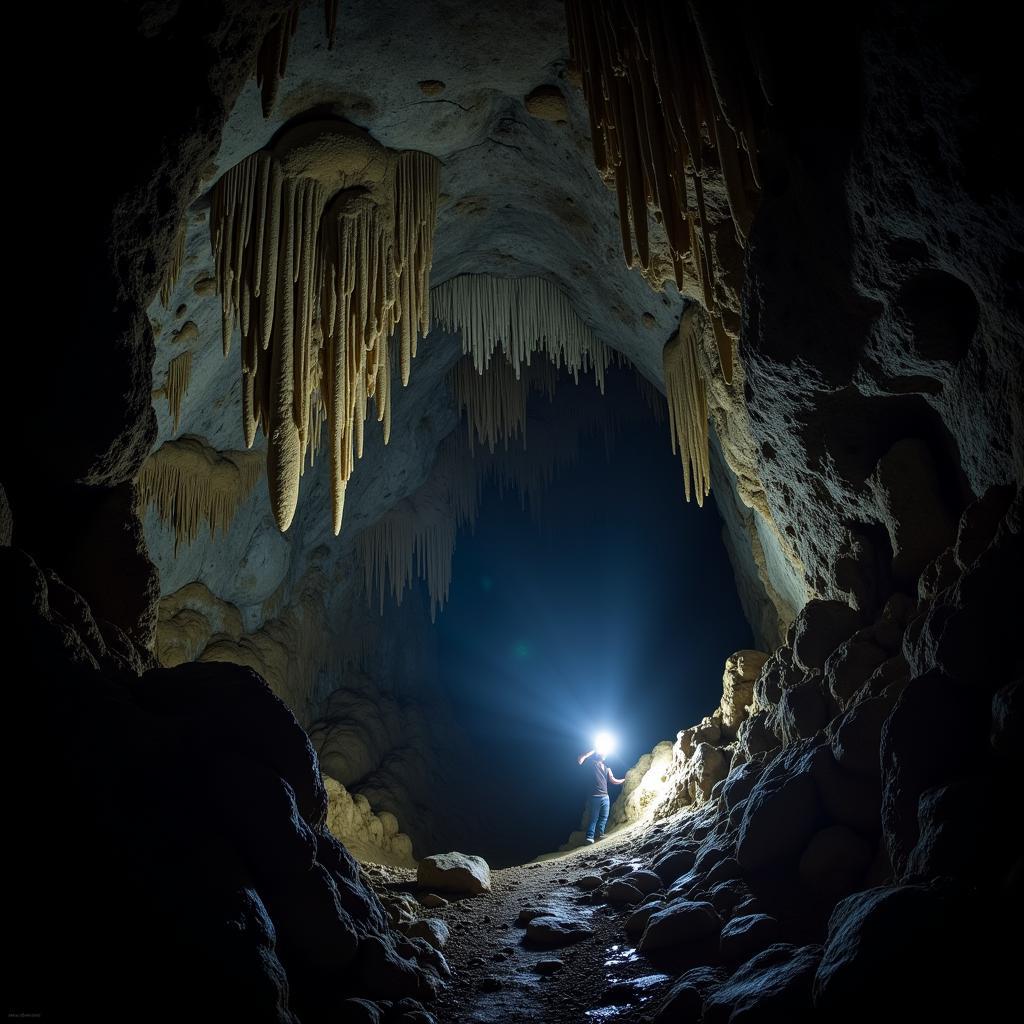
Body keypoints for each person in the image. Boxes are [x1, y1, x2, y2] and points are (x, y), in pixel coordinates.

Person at [577, 748, 625, 843]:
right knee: (594, 817)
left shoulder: (607, 768)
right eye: (601, 752)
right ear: (597, 754)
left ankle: (600, 834)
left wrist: (624, 779)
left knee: (604, 816)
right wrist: (594, 749)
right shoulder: (592, 764)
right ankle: (589, 837)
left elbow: (613, 780)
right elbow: (580, 759)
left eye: (604, 753)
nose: (603, 753)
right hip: (595, 796)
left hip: (605, 796)